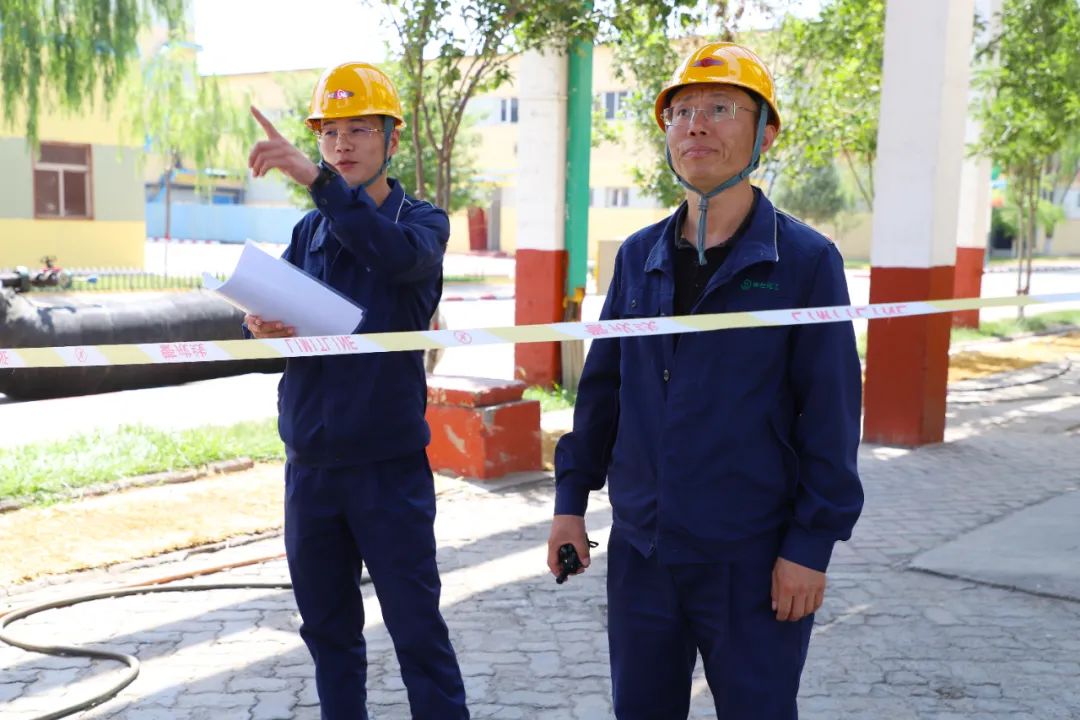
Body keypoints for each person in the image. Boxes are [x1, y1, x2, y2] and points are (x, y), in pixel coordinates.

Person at [547, 41, 864, 719]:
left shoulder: (805, 263)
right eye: (681, 110)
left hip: (751, 562)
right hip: (643, 556)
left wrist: (809, 548)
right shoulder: (638, 259)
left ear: (765, 134)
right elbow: (601, 394)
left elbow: (832, 416)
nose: (696, 125)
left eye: (721, 108)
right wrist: (570, 504)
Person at [243, 62, 469, 720]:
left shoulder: (422, 224)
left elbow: (391, 257)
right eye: (330, 131)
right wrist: (259, 323)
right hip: (311, 470)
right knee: (329, 637)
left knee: (417, 634)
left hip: (386, 472)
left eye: (359, 129)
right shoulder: (308, 232)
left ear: (391, 140)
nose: (341, 144)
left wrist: (315, 183)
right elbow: (274, 311)